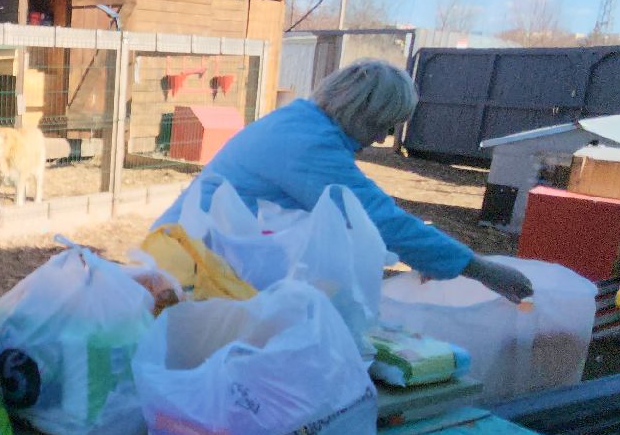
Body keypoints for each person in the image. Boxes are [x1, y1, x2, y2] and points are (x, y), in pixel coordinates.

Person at [158, 58, 534, 301]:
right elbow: (375, 217)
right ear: (363, 112)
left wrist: (430, 257)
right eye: (384, 124)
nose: (383, 138)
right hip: (185, 270)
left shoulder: (301, 124)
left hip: (198, 258)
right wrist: (479, 269)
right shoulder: (307, 144)